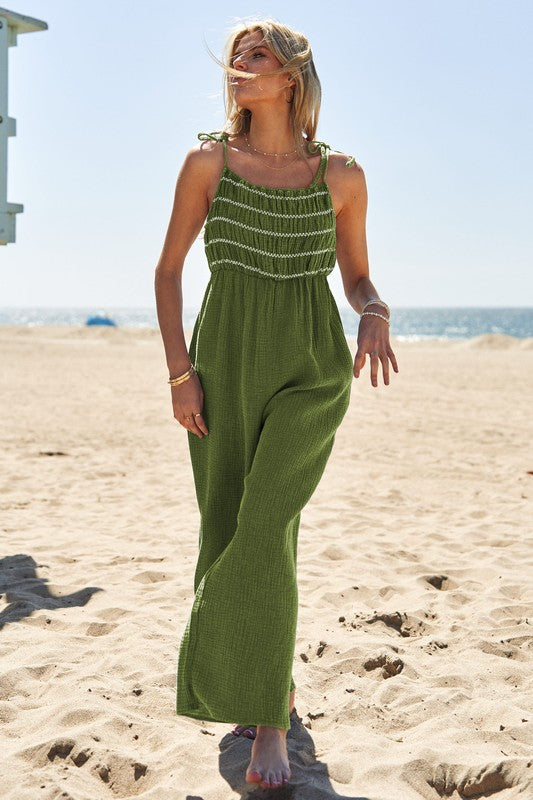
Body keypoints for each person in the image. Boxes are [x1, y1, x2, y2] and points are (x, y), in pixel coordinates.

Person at [154, 17, 398, 791]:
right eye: (234, 57)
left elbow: (357, 278)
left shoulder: (342, 176)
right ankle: (269, 683)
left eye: (254, 56)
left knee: (265, 523)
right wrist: (179, 373)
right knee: (228, 524)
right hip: (221, 366)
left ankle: (268, 721)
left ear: (291, 75)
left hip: (309, 368)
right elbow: (166, 273)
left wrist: (374, 310)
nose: (238, 67)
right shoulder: (207, 162)